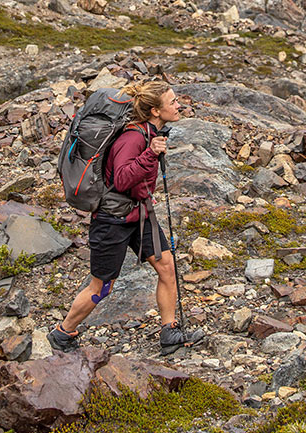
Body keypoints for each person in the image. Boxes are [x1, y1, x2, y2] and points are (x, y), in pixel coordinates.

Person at [48, 80, 204, 355]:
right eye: (172, 102)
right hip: (112, 220)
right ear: (155, 111)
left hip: (139, 213)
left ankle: (169, 332)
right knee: (101, 287)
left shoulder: (150, 133)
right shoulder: (133, 138)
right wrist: (150, 154)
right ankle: (63, 332)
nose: (178, 106)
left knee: (167, 267)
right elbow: (121, 179)